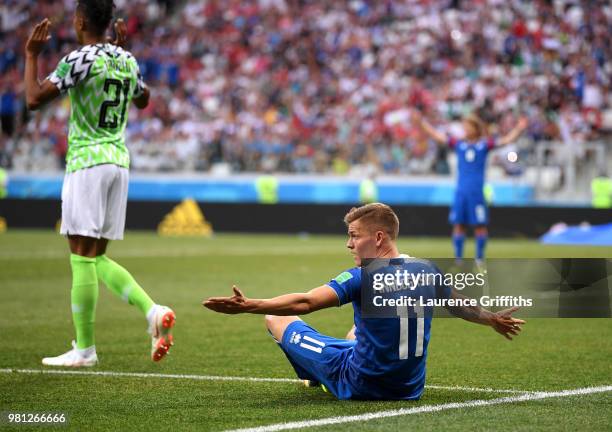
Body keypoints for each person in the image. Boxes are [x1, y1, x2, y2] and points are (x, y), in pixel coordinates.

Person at [203, 203, 524, 400]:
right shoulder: (428, 270)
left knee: (276, 320)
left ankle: (316, 376)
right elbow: (461, 306)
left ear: (379, 238)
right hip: (409, 389)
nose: (349, 243)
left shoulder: (362, 277)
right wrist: (492, 318)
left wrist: (249, 306)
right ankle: (315, 373)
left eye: (355, 235)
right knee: (355, 335)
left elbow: (304, 303)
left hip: (359, 384)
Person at [24, 0, 175, 367]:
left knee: (80, 256)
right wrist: (122, 54)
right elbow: (144, 99)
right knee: (97, 256)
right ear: (110, 23)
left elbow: (32, 99)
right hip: (118, 163)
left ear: (78, 21)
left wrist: (31, 55)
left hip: (87, 163)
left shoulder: (79, 59)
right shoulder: (126, 59)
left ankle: (85, 350)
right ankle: (152, 310)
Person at [412, 112, 528, 264]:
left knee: (480, 226)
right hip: (461, 192)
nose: (465, 129)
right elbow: (437, 136)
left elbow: (506, 140)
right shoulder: (459, 144)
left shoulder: (484, 145)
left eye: (468, 126)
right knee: (459, 225)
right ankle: (458, 258)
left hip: (476, 193)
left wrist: (519, 129)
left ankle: (479, 257)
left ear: (475, 128)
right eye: (464, 126)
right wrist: (422, 124)